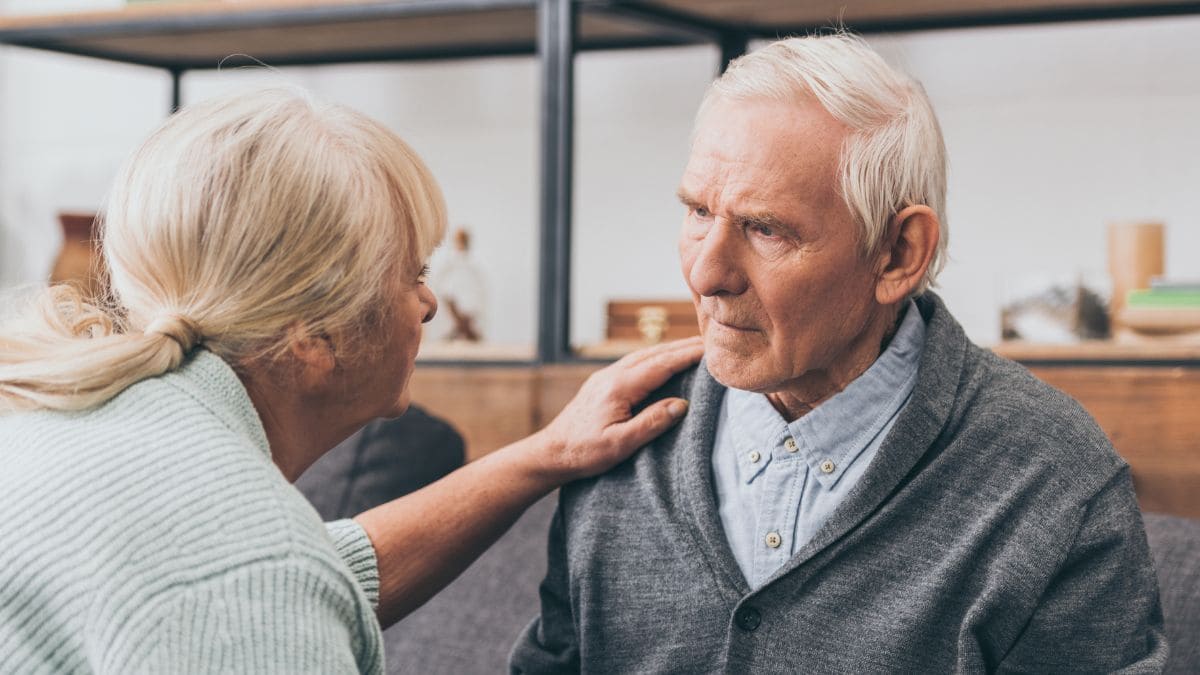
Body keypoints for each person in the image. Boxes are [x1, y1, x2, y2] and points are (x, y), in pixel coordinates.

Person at [511, 33, 1167, 673]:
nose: (707, 274)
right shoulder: (620, 438)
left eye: (765, 228)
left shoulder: (1052, 478)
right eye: (698, 212)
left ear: (898, 253)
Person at [0, 88, 702, 674]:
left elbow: (319, 571)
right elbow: (258, 583)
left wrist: (544, 453)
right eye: (413, 275)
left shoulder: (81, 424)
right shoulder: (246, 572)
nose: (429, 303)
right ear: (316, 334)